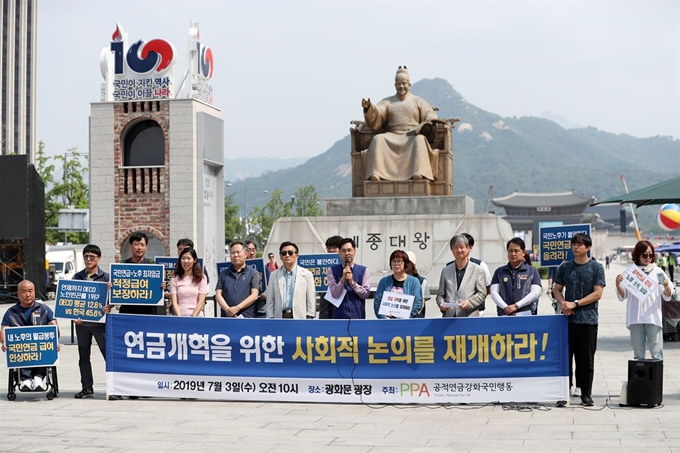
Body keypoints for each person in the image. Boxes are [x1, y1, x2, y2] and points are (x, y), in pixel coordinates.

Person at [553, 233, 606, 407]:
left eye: (580, 245)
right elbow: (557, 289)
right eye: (574, 244)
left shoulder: (597, 267)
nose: (576, 247)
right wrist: (563, 304)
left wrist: (575, 303)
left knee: (586, 360)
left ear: (588, 247)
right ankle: (563, 392)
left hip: (588, 320)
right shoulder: (565, 267)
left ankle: (586, 394)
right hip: (567, 320)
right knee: (565, 358)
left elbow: (598, 293)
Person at [360, 66, 438, 181]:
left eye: (404, 83)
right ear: (395, 85)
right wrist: (369, 108)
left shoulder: (418, 101)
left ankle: (418, 172)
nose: (401, 86)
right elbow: (378, 112)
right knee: (378, 139)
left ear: (409, 85)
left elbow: (430, 115)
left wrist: (427, 122)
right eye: (398, 84)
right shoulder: (387, 101)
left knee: (420, 140)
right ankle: (376, 174)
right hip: (392, 135)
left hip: (412, 135)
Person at [615, 240, 673, 360]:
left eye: (650, 255)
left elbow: (667, 295)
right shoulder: (630, 272)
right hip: (635, 317)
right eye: (645, 255)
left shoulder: (658, 272)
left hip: (653, 317)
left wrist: (667, 285)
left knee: (656, 351)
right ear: (638, 255)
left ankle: (656, 378)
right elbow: (623, 295)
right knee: (638, 353)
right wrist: (618, 284)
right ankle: (640, 379)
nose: (648, 258)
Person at [1, 280, 59, 392]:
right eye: (23, 292)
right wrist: (4, 343)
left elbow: (55, 329)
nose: (27, 294)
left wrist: (56, 341)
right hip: (21, 350)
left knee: (45, 348)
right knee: (20, 348)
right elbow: (4, 330)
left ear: (34, 292)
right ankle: (25, 379)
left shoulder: (44, 310)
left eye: (30, 291)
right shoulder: (11, 312)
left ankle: (39, 378)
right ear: (18, 294)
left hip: (40, 350)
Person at [72, 244, 113, 399]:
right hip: (82, 324)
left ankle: (112, 387)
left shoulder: (106, 278)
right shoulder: (77, 277)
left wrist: (110, 305)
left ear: (99, 258)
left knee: (107, 355)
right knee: (83, 356)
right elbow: (70, 301)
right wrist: (74, 317)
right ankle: (87, 387)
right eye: (86, 256)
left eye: (92, 256)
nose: (88, 259)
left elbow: (114, 298)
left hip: (100, 324)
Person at [436, 235, 487, 318]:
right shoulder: (446, 270)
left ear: (467, 248)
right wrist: (441, 304)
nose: (459, 250)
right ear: (451, 249)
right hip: (449, 317)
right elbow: (440, 295)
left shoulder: (477, 269)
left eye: (461, 247)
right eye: (455, 247)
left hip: (469, 317)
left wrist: (468, 303)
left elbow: (482, 293)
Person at [490, 238, 542, 317]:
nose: (513, 254)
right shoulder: (499, 272)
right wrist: (506, 308)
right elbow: (494, 293)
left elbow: (535, 293)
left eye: (516, 251)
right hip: (504, 314)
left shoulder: (532, 271)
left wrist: (516, 306)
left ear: (523, 252)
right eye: (510, 251)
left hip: (525, 314)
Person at [265, 242, 316, 319]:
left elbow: (311, 298)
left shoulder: (307, 274)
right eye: (284, 253)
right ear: (280, 256)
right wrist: (270, 317)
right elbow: (270, 299)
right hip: (279, 317)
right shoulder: (274, 275)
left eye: (290, 253)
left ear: (296, 255)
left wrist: (310, 316)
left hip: (300, 318)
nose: (287, 255)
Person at [327, 238, 370, 319]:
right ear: (339, 252)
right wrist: (342, 280)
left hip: (358, 315)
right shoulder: (332, 270)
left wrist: (352, 283)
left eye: (349, 250)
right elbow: (334, 294)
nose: (347, 253)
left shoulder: (364, 270)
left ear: (354, 252)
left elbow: (365, 294)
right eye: (343, 251)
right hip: (338, 316)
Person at [215, 241, 260, 318]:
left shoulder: (253, 273)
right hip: (226, 317)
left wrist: (237, 308)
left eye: (238, 252)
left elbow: (254, 295)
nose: (235, 255)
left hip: (246, 317)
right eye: (232, 253)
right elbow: (218, 294)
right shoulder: (224, 273)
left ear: (246, 254)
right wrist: (228, 310)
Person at [374, 250, 422, 319]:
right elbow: (377, 302)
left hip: (407, 322)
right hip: (387, 323)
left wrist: (406, 316)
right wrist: (383, 317)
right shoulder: (383, 281)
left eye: (399, 261)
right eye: (393, 261)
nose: (396, 264)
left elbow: (417, 303)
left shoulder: (414, 282)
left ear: (405, 263)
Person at [120, 232, 157, 315]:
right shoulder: (123, 265)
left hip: (149, 311)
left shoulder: (152, 265)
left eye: (142, 245)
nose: (139, 247)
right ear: (130, 246)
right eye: (136, 244)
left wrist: (161, 286)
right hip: (127, 311)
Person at [170, 248, 208, 317]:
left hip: (197, 318)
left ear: (194, 260)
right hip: (179, 318)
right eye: (183, 258)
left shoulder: (202, 278)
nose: (185, 261)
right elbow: (174, 302)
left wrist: (192, 318)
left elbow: (201, 301)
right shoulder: (174, 279)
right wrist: (179, 317)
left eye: (188, 258)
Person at [461, 233, 491, 316]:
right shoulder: (448, 267)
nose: (459, 250)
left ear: (470, 247)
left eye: (462, 246)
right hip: (454, 314)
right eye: (457, 246)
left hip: (476, 312)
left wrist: (473, 302)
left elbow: (487, 288)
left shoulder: (481, 265)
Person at [318, 235, 344, 319]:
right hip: (326, 309)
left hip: (342, 309)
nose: (331, 250)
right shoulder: (322, 267)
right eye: (329, 248)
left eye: (334, 247)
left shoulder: (348, 266)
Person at [405, 251, 430, 318]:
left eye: (408, 261)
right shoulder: (394, 280)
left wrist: (411, 315)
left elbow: (421, 303)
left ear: (413, 264)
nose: (405, 264)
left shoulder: (422, 281)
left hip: (416, 319)